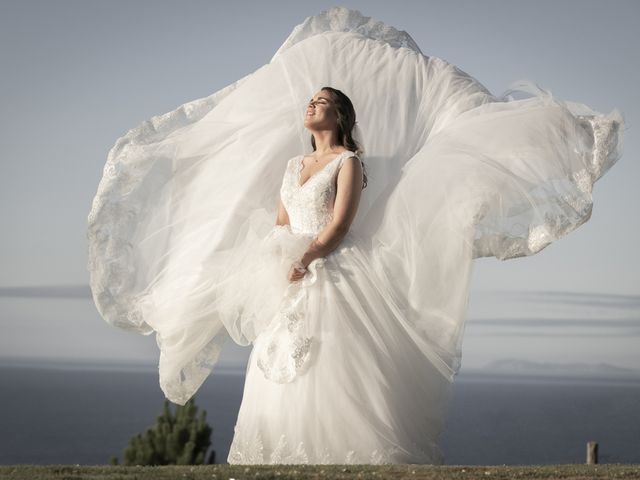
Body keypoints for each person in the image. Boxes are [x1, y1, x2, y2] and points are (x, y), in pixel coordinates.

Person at [87, 6, 625, 465]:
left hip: (329, 271)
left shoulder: (349, 161)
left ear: (341, 115)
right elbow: (281, 219)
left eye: (323, 101)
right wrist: (275, 259)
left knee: (333, 365)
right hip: (288, 272)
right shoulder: (293, 163)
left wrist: (309, 255)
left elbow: (339, 223)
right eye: (310, 101)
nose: (312, 105)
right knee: (277, 365)